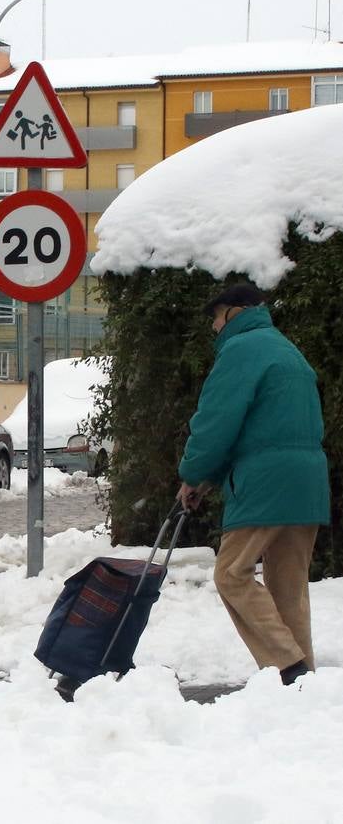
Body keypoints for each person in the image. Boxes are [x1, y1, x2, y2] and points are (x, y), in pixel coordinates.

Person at [177, 283, 330, 686]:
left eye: (215, 316)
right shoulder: (285, 349)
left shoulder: (241, 351)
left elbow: (216, 422)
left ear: (235, 312)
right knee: (289, 586)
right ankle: (302, 681)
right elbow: (264, 426)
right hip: (307, 480)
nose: (213, 327)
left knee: (231, 574)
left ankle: (288, 664)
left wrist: (193, 474)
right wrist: (210, 479)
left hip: (265, 483)